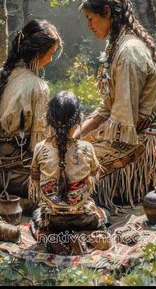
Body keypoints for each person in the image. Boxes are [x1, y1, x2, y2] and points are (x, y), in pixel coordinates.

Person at [73, 0, 156, 212]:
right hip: (125, 131)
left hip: (138, 143)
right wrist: (75, 136)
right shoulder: (116, 46)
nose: (89, 25)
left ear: (106, 12)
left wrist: (81, 144)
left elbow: (124, 125)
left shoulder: (129, 53)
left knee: (73, 163)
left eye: (90, 18)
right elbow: (107, 109)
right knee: (68, 151)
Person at [0, 19, 63, 200]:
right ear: (38, 54)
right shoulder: (37, 86)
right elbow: (38, 146)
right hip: (22, 181)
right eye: (51, 53)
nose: (51, 59)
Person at [29, 90, 109, 232]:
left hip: (51, 221)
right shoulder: (87, 148)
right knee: (105, 212)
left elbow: (35, 179)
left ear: (48, 118)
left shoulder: (40, 148)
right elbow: (94, 174)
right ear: (79, 118)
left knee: (36, 212)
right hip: (84, 219)